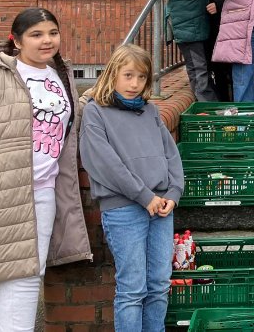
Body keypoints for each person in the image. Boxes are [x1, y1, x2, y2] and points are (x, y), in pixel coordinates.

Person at [0, 8, 91, 332]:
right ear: (16, 40)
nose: (47, 41)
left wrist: (89, 102)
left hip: (41, 196)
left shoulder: (61, 75)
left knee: (26, 277)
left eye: (52, 33)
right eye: (36, 34)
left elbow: (63, 124)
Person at [80, 44, 184, 332]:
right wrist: (144, 196)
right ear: (112, 74)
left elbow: (171, 155)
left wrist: (173, 194)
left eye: (141, 77)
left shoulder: (150, 111)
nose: (134, 84)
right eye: (128, 75)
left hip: (161, 208)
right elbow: (105, 164)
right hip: (124, 209)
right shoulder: (95, 112)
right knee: (132, 289)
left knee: (159, 284)